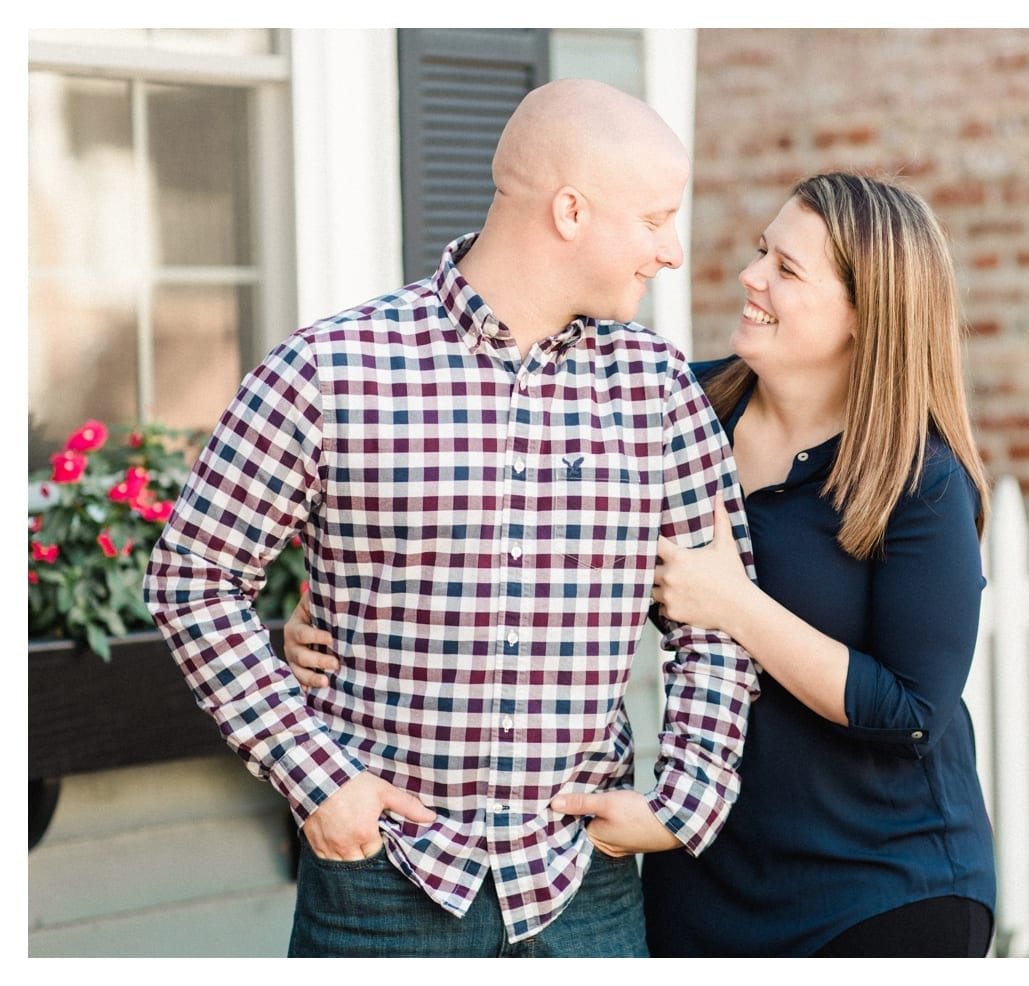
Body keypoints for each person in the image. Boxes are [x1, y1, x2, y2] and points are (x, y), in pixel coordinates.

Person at [287, 171, 997, 957]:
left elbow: (910, 710)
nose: (749, 275)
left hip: (879, 888)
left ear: (868, 318)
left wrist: (734, 604)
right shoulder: (679, 409)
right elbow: (513, 516)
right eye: (763, 251)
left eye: (787, 270)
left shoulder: (918, 481)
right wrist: (346, 596)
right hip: (701, 868)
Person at [144, 78, 759, 959]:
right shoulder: (330, 370)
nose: (671, 249)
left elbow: (717, 621)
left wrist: (684, 797)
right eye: (657, 218)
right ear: (572, 211)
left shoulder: (659, 394)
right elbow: (193, 577)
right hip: (380, 885)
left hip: (582, 891)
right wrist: (319, 781)